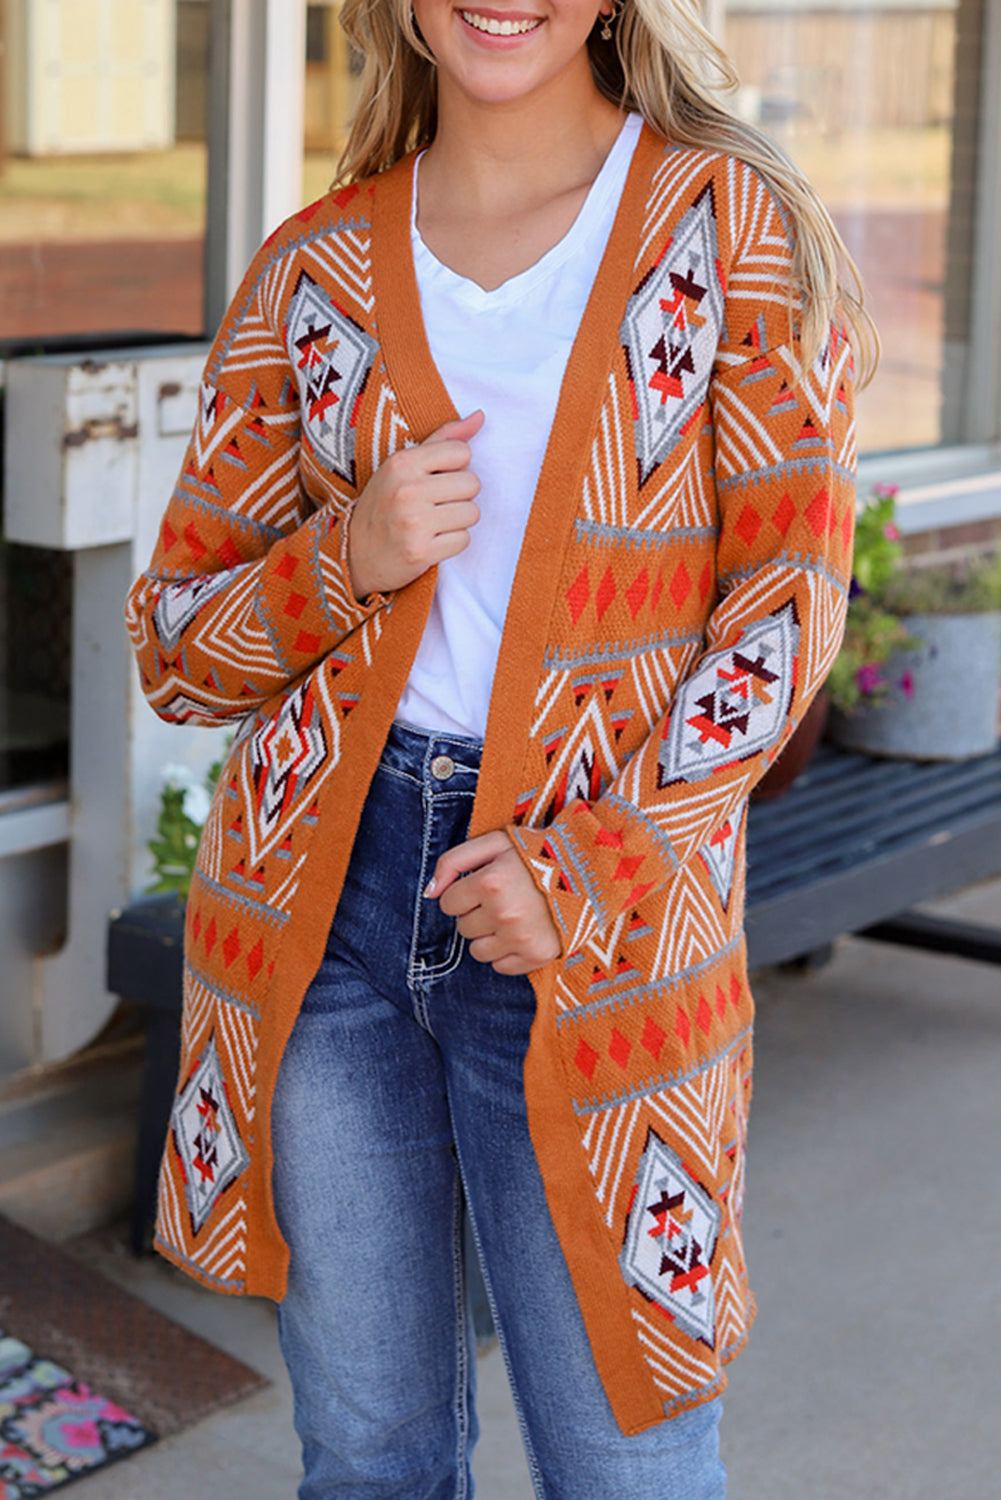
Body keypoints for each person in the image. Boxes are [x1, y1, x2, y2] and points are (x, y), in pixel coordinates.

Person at [126, 0, 875, 1494]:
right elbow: (173, 641)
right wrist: (351, 551)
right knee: (367, 1456)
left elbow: (785, 606)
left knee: (624, 1458)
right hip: (321, 913)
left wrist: (592, 864)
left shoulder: (719, 230)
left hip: (589, 929)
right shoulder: (311, 270)